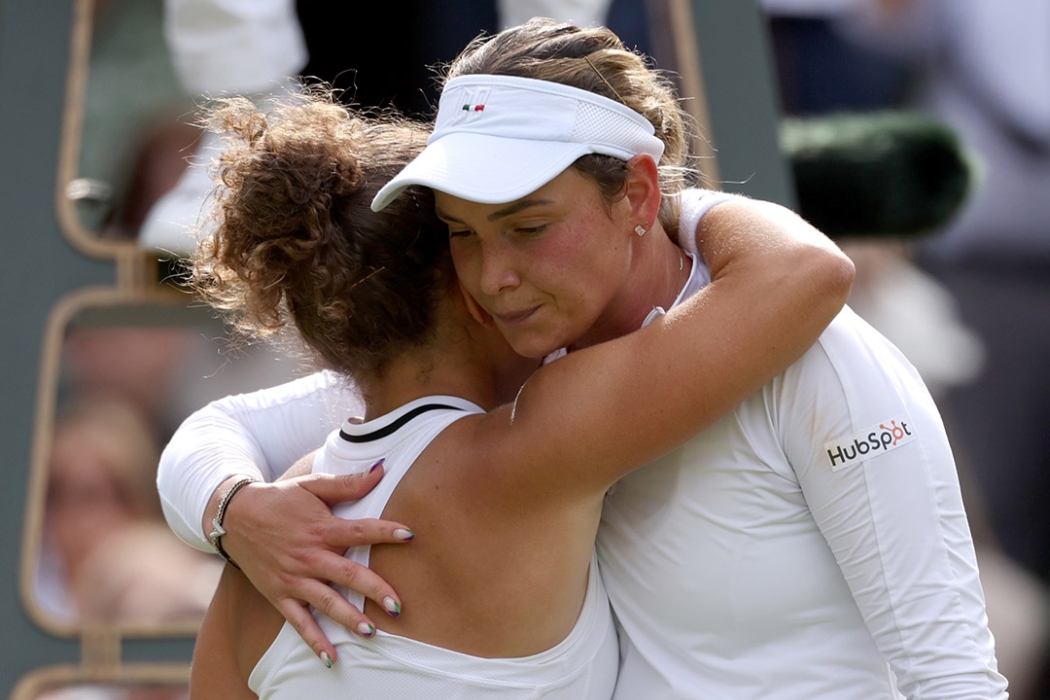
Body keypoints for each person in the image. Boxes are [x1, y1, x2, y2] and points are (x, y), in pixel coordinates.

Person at [159, 19, 1007, 699]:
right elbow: (228, 426)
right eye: (463, 234)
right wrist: (233, 507)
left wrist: (683, 202)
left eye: (529, 227)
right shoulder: (521, 363)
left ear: (637, 194)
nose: (494, 276)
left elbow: (953, 676)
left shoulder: (813, 358)